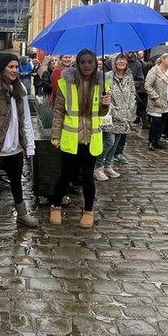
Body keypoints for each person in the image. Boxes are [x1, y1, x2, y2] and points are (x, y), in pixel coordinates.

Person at [49, 49, 110, 228]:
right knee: (65, 175)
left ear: (95, 64)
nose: (86, 66)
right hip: (71, 138)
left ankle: (89, 210)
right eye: (83, 62)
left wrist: (106, 105)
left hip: (91, 139)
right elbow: (59, 111)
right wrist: (55, 135)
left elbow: (101, 113)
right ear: (77, 64)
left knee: (88, 177)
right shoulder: (66, 83)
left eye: (90, 62)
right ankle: (56, 206)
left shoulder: (102, 83)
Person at [0, 53, 37, 227]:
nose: (14, 70)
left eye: (16, 67)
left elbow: (26, 119)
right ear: (2, 69)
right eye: (10, 67)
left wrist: (29, 146)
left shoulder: (21, 89)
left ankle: (22, 214)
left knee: (16, 182)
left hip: (15, 148)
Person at [95, 54, 135, 180]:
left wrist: (131, 107)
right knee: (109, 142)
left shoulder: (129, 76)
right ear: (114, 61)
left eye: (123, 59)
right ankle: (97, 166)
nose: (121, 61)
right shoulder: (107, 76)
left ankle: (108, 165)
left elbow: (132, 92)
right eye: (119, 59)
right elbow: (103, 96)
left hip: (125, 115)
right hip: (111, 115)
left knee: (116, 143)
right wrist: (112, 109)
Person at [145, 53, 168, 151]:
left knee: (163, 122)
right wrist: (156, 97)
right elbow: (147, 86)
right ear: (163, 60)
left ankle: (157, 140)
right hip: (156, 101)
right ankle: (151, 141)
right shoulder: (154, 71)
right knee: (156, 122)